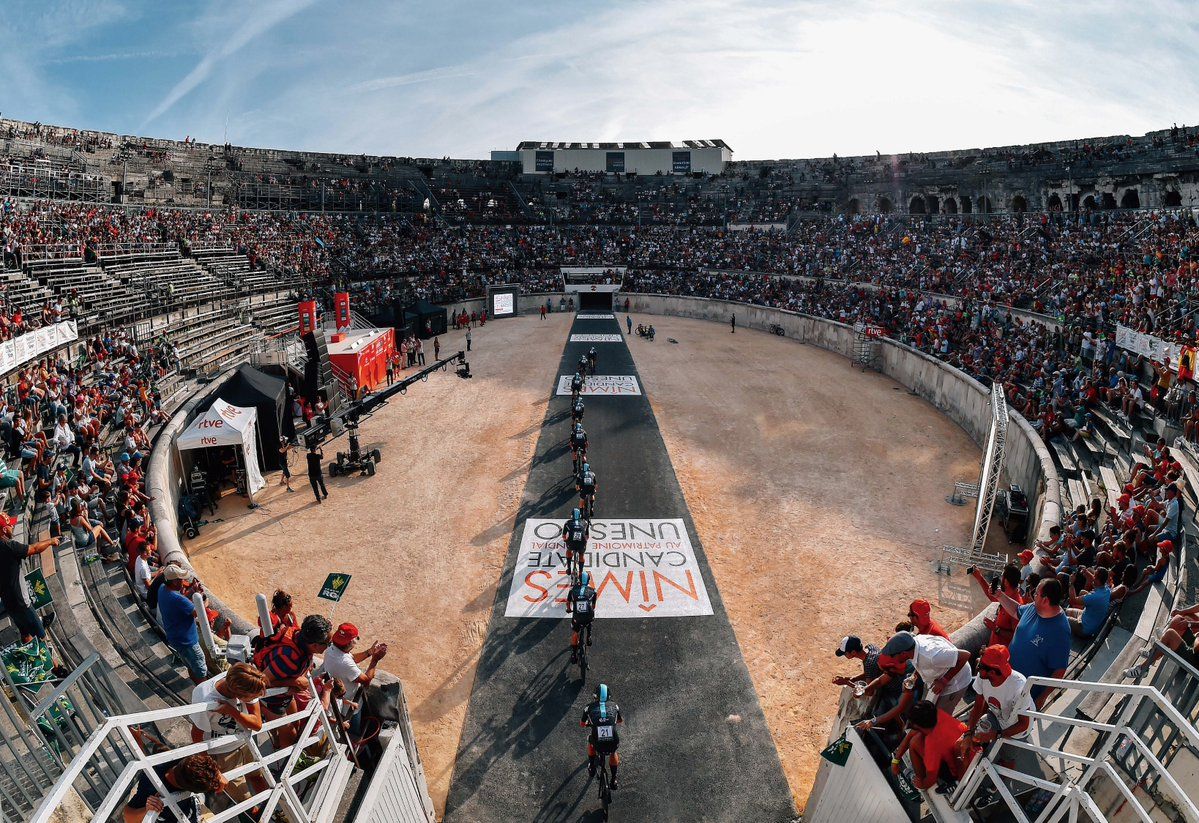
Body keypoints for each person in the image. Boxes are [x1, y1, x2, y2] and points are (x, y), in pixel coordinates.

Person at [189, 663, 268, 803]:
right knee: (244, 800)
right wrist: (213, 770)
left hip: (245, 743)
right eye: (251, 698)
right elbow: (196, 736)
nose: (255, 699)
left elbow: (257, 724)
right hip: (223, 754)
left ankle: (273, 810)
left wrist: (232, 712)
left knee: (257, 777)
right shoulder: (205, 699)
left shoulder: (244, 678)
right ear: (238, 695)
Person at [257, 614, 332, 750]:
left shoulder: (300, 637)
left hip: (286, 694)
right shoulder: (288, 657)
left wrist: (293, 682)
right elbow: (261, 680)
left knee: (296, 723)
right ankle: (283, 755)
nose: (329, 646)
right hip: (273, 699)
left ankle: (277, 739)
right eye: (328, 644)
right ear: (315, 645)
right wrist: (294, 681)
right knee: (290, 735)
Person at [995, 577, 1070, 706]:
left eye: (1036, 593)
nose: (1033, 595)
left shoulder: (1060, 631)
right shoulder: (1033, 608)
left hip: (1025, 693)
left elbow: (1059, 670)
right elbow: (1016, 610)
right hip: (1006, 678)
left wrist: (1043, 697)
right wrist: (1000, 596)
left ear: (1045, 600)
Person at [318, 622, 387, 737]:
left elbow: (351, 659)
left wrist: (369, 652)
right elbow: (366, 680)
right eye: (356, 638)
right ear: (350, 643)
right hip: (348, 705)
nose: (356, 641)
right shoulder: (344, 662)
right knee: (354, 732)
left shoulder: (332, 648)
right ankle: (355, 740)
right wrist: (375, 659)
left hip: (340, 699)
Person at [876, 631, 973, 711]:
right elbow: (921, 665)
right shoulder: (912, 648)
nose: (893, 659)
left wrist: (944, 680)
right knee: (926, 711)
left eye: (893, 656)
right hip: (934, 680)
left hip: (956, 683)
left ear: (903, 653)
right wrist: (913, 678)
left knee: (939, 717)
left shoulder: (933, 656)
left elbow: (965, 655)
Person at [891, 700, 974, 792]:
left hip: (955, 772)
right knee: (916, 736)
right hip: (968, 749)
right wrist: (896, 760)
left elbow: (931, 779)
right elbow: (913, 732)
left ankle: (917, 779)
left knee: (914, 743)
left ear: (916, 724)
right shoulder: (938, 714)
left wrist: (922, 784)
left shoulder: (932, 745)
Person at [0, 514, 59, 642]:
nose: (12, 526)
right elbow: (35, 548)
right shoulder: (10, 546)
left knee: (25, 634)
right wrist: (50, 541)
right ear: (4, 530)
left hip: (7, 601)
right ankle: (53, 662)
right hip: (21, 602)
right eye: (10, 525)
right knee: (43, 639)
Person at [122, 752, 227, 823]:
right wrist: (147, 810)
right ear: (190, 791)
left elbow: (199, 757)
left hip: (190, 813)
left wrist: (216, 773)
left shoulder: (183, 759)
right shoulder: (151, 785)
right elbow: (127, 816)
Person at [965, 645, 1034, 752]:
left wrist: (996, 735)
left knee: (1006, 757)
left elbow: (1024, 724)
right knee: (977, 739)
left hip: (1015, 730)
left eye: (981, 665)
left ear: (992, 672)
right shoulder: (983, 675)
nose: (977, 666)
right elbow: (978, 706)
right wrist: (968, 733)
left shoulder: (1019, 687)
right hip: (996, 716)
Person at [1124, 601, 1199, 679]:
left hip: (1194, 661)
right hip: (1194, 646)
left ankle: (1143, 668)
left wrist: (1197, 635)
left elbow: (1196, 647)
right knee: (1178, 619)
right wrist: (1189, 622)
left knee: (1170, 634)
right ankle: (1154, 653)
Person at [159, 565, 207, 684]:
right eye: (181, 579)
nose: (183, 581)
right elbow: (197, 613)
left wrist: (192, 591)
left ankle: (195, 683)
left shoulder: (162, 589)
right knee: (201, 672)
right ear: (175, 581)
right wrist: (204, 600)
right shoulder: (177, 599)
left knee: (190, 666)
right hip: (188, 642)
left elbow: (181, 602)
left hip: (176, 638)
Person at [581, 683, 623, 790]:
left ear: (595, 696)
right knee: (613, 752)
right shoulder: (615, 706)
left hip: (598, 744)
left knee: (590, 740)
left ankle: (592, 767)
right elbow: (620, 720)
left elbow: (582, 724)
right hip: (613, 741)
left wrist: (589, 723)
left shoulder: (588, 707)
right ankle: (614, 779)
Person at [567, 570, 597, 663]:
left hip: (577, 618)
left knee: (575, 632)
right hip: (588, 617)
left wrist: (568, 609)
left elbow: (568, 603)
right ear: (588, 580)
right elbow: (593, 606)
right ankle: (589, 636)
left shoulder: (573, 590)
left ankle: (574, 654)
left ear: (579, 580)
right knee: (589, 621)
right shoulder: (593, 591)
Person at [562, 507, 589, 581]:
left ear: (571, 516)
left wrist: (566, 540)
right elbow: (587, 536)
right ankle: (580, 572)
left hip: (571, 543)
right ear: (580, 516)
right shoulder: (585, 522)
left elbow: (564, 536)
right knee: (581, 555)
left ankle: (569, 568)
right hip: (581, 543)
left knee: (568, 550)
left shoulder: (567, 523)